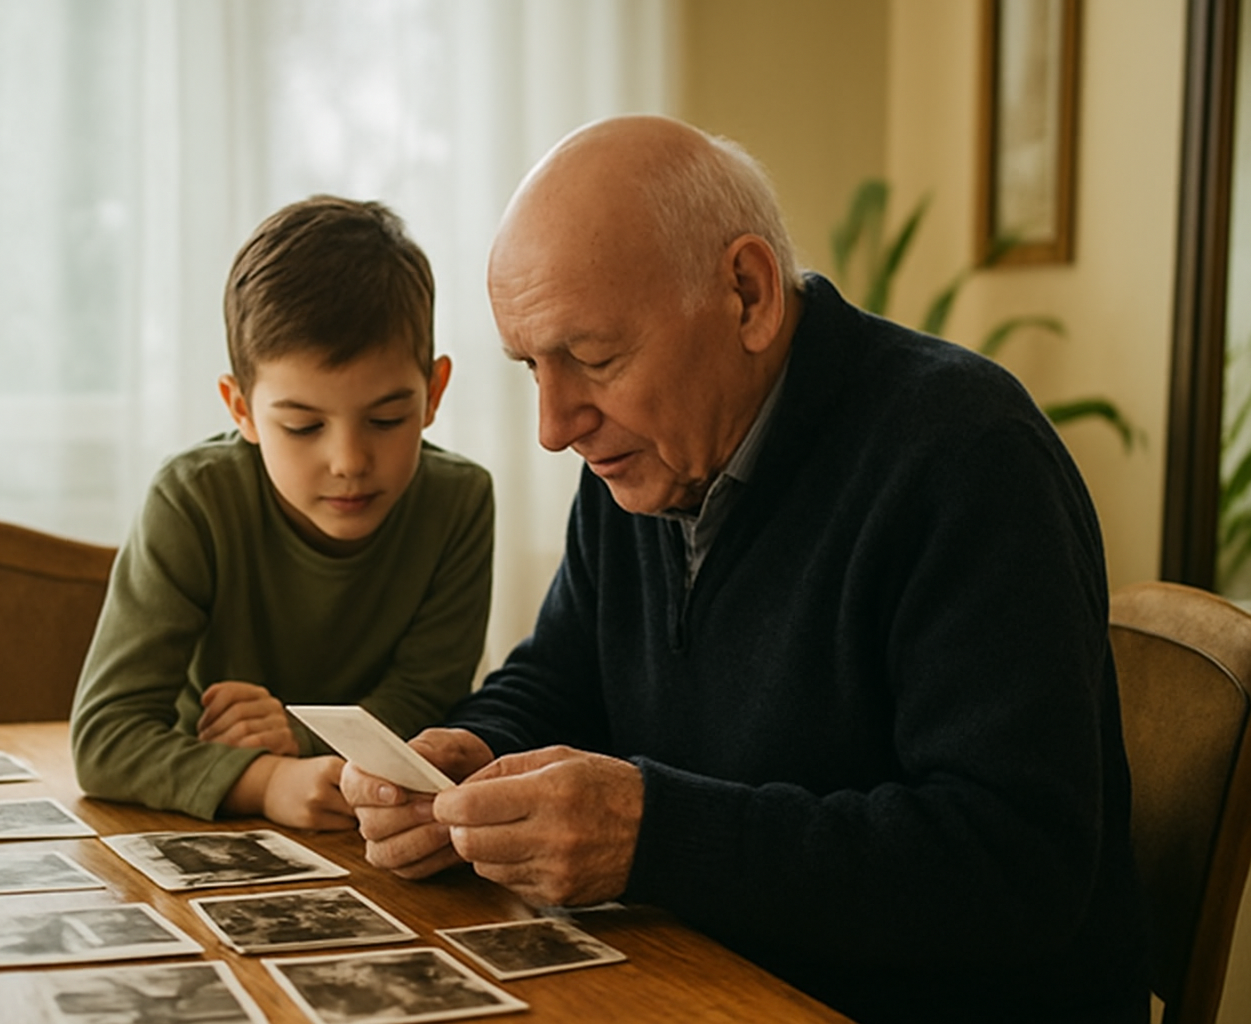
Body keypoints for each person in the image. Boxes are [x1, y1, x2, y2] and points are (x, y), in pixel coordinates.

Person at [340, 116, 1150, 1024]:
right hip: (705, 982)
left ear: (748, 294)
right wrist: (470, 755)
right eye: (533, 366)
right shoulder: (643, 455)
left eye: (594, 358)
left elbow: (1015, 867)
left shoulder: (967, 458)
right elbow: (562, 679)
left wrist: (655, 836)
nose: (555, 425)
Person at [71, 195, 494, 831]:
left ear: (433, 393)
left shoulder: (459, 501)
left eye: (386, 419)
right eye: (302, 426)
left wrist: (297, 736)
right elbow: (105, 737)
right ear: (240, 408)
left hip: (370, 826)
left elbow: (428, 703)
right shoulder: (193, 499)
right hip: (202, 822)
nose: (349, 461)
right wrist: (267, 782)